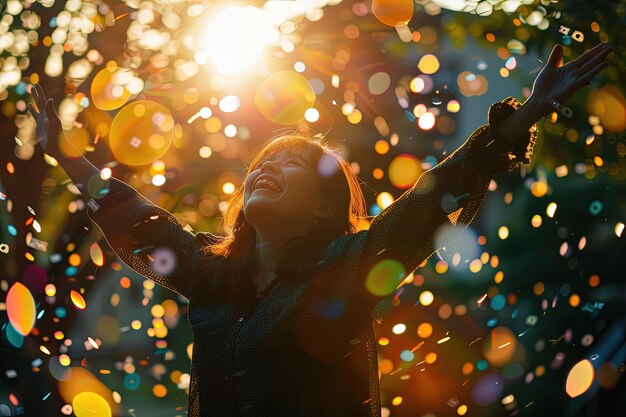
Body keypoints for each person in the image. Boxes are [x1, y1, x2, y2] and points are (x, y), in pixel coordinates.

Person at [28, 42, 611, 416]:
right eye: (261, 165)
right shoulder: (212, 271)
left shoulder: (347, 267)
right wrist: (66, 155)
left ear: (318, 209)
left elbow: (433, 196)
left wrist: (524, 116)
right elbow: (138, 219)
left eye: (291, 165)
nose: (267, 169)